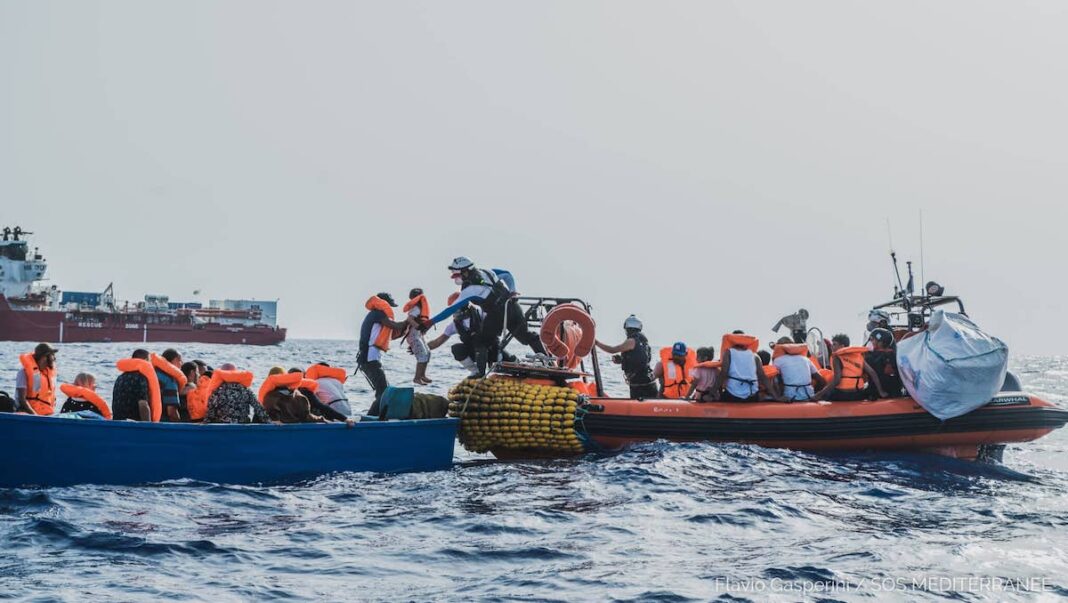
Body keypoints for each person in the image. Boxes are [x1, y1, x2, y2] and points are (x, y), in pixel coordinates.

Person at [426, 257, 546, 376]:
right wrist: (513, 290)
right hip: (512, 306)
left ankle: (480, 374)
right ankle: (548, 362)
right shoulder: (487, 272)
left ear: (465, 271)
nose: (456, 278)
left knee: (481, 341)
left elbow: (449, 310)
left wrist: (430, 322)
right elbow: (506, 274)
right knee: (526, 336)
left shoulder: (470, 290)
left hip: (497, 314)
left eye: (457, 275)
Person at [357, 292, 409, 415]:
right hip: (369, 359)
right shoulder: (378, 313)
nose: (390, 309)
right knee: (384, 392)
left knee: (384, 391)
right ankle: (371, 420)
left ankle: (379, 418)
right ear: (384, 303)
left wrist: (406, 327)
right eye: (390, 305)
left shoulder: (377, 315)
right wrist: (409, 320)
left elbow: (391, 334)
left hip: (370, 359)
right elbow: (395, 325)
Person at [428, 292, 491, 377]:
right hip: (473, 352)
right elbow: (438, 341)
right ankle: (475, 372)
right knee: (456, 348)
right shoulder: (454, 325)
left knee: (479, 342)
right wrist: (420, 348)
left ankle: (483, 372)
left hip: (490, 349)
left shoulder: (481, 313)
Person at [594, 315, 658, 399]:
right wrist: (622, 360)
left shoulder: (631, 341)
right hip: (646, 381)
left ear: (627, 329)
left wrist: (597, 343)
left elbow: (612, 350)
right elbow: (639, 360)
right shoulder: (643, 341)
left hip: (640, 384)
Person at [815, 334, 887, 401]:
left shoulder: (836, 358)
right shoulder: (858, 356)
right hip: (858, 393)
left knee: (825, 395)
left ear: (842, 346)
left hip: (842, 394)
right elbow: (872, 372)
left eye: (834, 344)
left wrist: (819, 394)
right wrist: (881, 391)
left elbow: (837, 380)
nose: (831, 347)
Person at [715, 332, 777, 402]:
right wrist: (776, 396)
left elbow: (723, 373)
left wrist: (712, 392)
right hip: (752, 396)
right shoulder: (755, 356)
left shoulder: (729, 353)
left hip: (732, 396)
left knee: (718, 396)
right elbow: (762, 376)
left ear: (732, 342)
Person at [204, 363, 270, 424]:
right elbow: (258, 407)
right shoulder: (246, 390)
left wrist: (206, 422)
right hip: (242, 425)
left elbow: (211, 411)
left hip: (222, 426)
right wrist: (268, 422)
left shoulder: (217, 391)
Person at [772, 337, 825, 402]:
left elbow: (774, 381)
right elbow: (822, 381)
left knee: (775, 378)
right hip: (809, 396)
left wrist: (778, 397)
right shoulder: (805, 359)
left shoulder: (777, 360)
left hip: (789, 398)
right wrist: (816, 394)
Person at [16, 342, 58, 415]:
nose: (54, 358)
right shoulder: (23, 372)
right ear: (44, 357)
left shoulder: (48, 374)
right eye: (52, 355)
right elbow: (22, 400)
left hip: (46, 414)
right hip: (29, 413)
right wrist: (35, 416)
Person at [113, 349, 155, 421]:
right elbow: (143, 405)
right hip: (133, 424)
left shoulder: (120, 377)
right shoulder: (141, 378)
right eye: (150, 361)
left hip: (118, 422)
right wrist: (148, 427)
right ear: (145, 361)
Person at [403, 288, 433, 385]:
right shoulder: (416, 308)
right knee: (422, 356)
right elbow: (409, 319)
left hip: (418, 335)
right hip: (413, 336)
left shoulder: (421, 308)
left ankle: (422, 375)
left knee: (427, 353)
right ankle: (417, 378)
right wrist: (419, 327)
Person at [865, 328, 904, 398]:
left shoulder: (870, 357)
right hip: (895, 393)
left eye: (872, 339)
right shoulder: (897, 355)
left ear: (881, 342)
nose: (870, 342)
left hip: (876, 394)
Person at [152, 348, 185, 422]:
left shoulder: (154, 373)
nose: (182, 363)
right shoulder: (170, 379)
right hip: (161, 422)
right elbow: (171, 412)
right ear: (173, 361)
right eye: (180, 360)